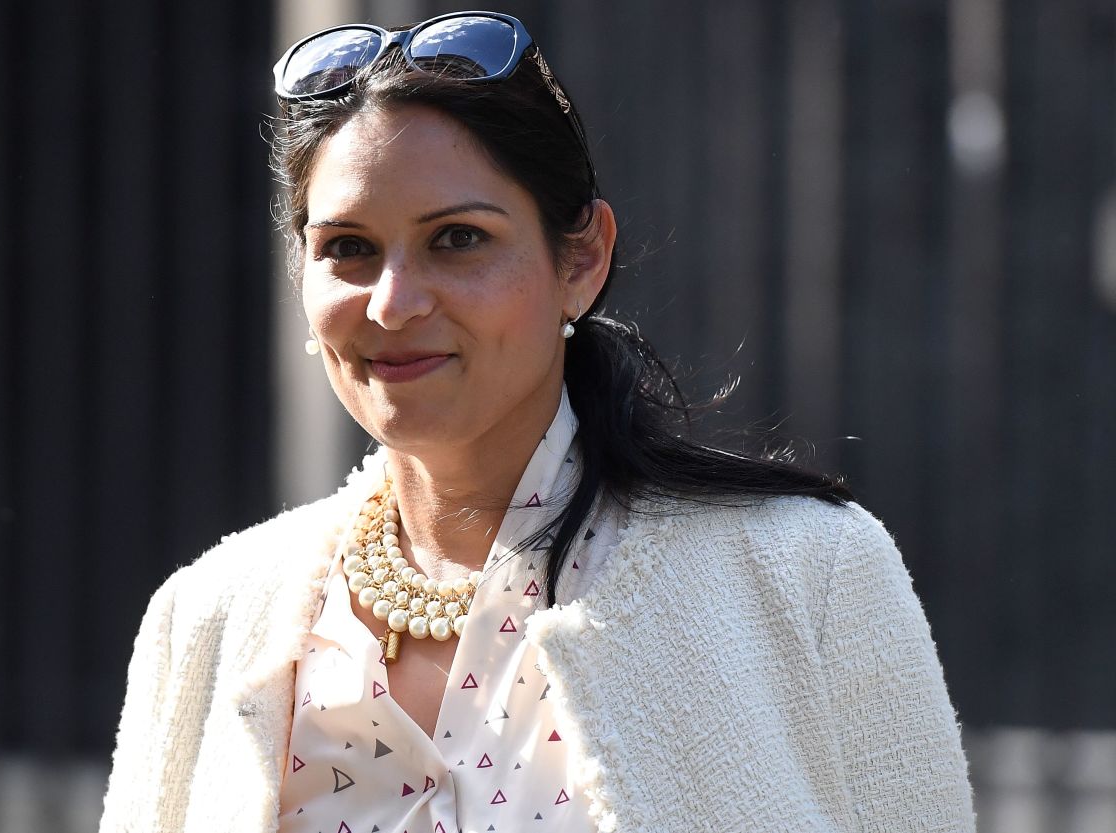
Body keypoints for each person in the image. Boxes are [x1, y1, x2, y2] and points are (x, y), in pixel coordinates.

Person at [99, 11, 976, 833]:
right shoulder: (207, 617)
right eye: (349, 249)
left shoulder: (807, 574)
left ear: (582, 259)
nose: (394, 303)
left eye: (457, 239)